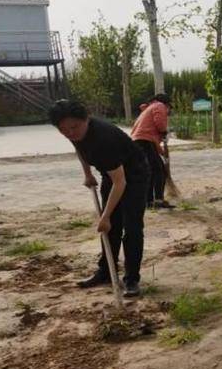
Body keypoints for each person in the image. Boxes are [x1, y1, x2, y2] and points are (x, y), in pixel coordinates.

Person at [49, 100, 150, 298]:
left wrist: (105, 216)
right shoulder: (73, 132)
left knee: (131, 227)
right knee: (110, 227)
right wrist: (87, 173)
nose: (70, 133)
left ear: (85, 119)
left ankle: (131, 280)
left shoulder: (104, 139)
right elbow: (79, 148)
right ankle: (105, 272)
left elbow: (120, 183)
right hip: (111, 174)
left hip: (135, 175)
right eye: (64, 130)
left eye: (74, 127)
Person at [131, 93, 174, 209]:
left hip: (139, 142)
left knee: (149, 171)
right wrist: (164, 131)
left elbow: (154, 142)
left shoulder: (148, 110)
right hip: (144, 141)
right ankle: (158, 200)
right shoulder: (159, 106)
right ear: (166, 104)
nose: (168, 111)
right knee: (159, 170)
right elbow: (160, 124)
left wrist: (162, 152)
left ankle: (148, 201)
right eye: (169, 107)